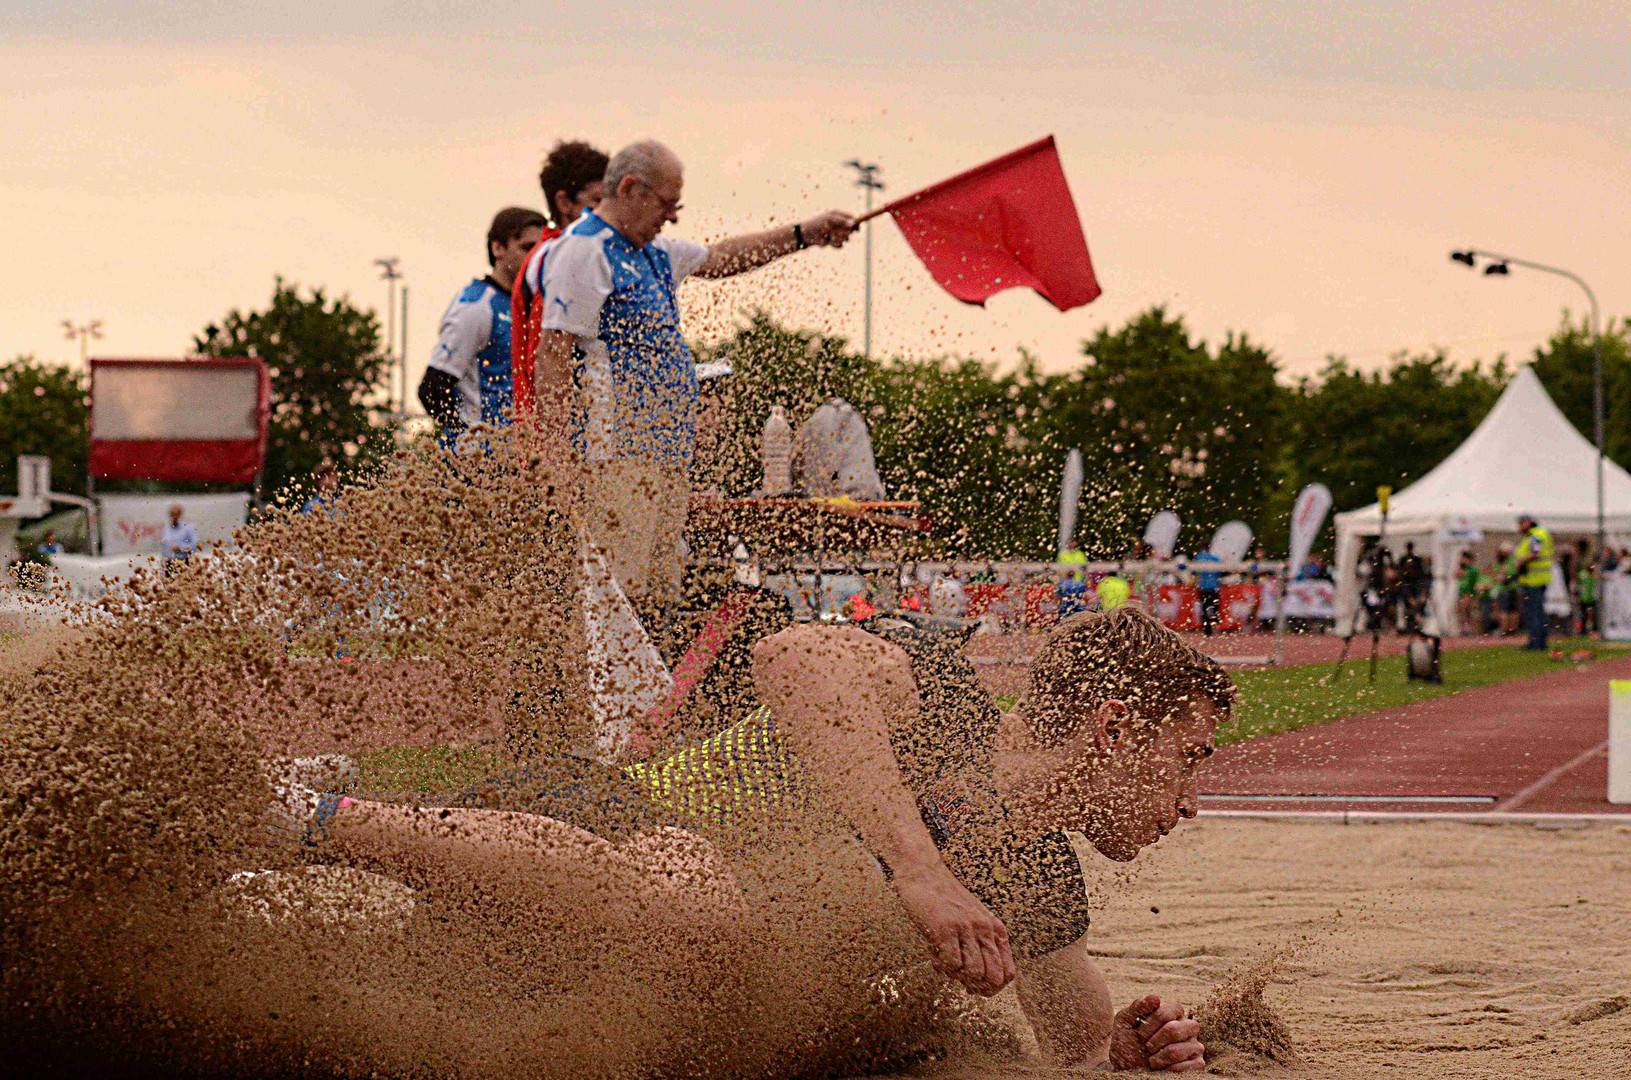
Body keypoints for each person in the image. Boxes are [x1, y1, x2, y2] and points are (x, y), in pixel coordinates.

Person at [283, 606, 1223, 1073]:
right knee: (705, 911)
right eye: (1188, 758)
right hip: (571, 825)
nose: (1189, 803)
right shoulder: (942, 698)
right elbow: (794, 656)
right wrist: (922, 874)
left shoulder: (1040, 882)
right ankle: (300, 815)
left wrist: (1121, 1055)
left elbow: (1070, 1049)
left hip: (579, 963)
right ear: (1110, 728)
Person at [528, 140, 856, 622]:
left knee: (658, 602)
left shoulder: (652, 250)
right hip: (617, 458)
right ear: (630, 189)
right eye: (666, 204)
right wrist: (557, 467)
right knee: (617, 604)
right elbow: (552, 360)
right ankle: (599, 696)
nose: (672, 218)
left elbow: (723, 257)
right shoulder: (583, 252)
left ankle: (649, 697)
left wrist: (803, 234)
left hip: (667, 458)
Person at [418, 207, 551, 447]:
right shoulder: (477, 305)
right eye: (526, 248)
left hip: (521, 458)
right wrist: (469, 437)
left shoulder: (533, 306)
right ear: (498, 249)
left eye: (541, 249)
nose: (535, 258)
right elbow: (432, 388)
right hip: (479, 462)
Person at [512, 140, 612, 416]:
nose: (608, 213)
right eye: (597, 201)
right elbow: (545, 357)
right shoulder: (559, 256)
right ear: (565, 203)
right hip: (565, 439)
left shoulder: (581, 252)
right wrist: (555, 450)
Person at [1503, 513, 1554, 650]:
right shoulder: (1538, 534)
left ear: (1528, 522)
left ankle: (1535, 643)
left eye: (1521, 523)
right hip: (1537, 579)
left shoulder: (1535, 535)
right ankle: (1539, 642)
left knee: (1534, 613)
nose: (1519, 527)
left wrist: (1520, 561)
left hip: (1534, 580)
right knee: (1538, 612)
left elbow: (1535, 552)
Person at [1191, 549, 1222, 636]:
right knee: (1215, 607)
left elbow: (1194, 571)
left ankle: (1207, 630)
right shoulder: (1215, 558)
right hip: (1213, 587)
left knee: (1204, 608)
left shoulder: (1198, 558)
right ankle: (1214, 624)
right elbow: (1222, 570)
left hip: (1203, 587)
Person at [1574, 540, 1599, 636]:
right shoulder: (1581, 559)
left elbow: (1591, 567)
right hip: (1584, 591)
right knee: (1584, 611)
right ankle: (1583, 629)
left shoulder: (1587, 558)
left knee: (1591, 612)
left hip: (1589, 591)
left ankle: (1593, 629)